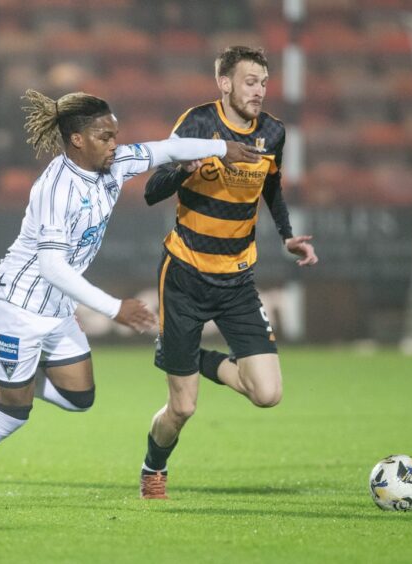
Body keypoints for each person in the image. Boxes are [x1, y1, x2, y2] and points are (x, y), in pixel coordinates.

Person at [0, 89, 260, 505]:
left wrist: (222, 147)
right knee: (14, 410)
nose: (114, 143)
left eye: (115, 134)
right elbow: (52, 267)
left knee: (78, 397)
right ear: (77, 139)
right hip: (18, 306)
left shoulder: (114, 163)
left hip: (56, 306)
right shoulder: (55, 188)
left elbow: (166, 149)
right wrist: (113, 308)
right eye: (104, 136)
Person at [137, 46, 319, 499]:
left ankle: (193, 358)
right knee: (182, 408)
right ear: (225, 83)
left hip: (237, 280)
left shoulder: (273, 132)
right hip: (183, 275)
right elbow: (150, 191)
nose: (258, 90)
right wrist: (184, 168)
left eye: (263, 82)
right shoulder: (197, 124)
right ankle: (153, 467)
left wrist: (286, 235)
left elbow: (272, 186)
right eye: (249, 81)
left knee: (268, 393)